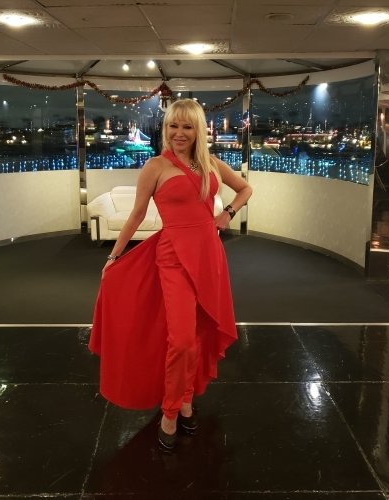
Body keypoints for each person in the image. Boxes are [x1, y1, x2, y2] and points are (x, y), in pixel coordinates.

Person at [89, 98, 252, 451]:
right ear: (166, 129)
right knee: (180, 340)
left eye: (187, 126)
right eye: (173, 126)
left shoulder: (211, 164)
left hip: (209, 256)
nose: (179, 133)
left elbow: (245, 189)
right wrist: (114, 256)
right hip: (173, 257)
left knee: (199, 333)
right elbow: (136, 215)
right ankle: (170, 410)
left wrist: (227, 214)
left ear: (198, 130)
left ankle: (187, 399)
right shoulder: (156, 166)